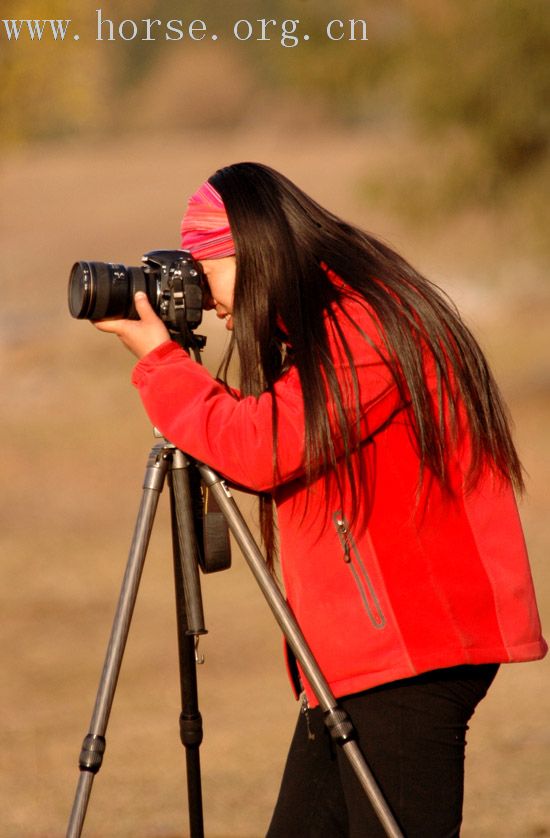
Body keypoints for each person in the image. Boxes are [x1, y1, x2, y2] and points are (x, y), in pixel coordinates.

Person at [94, 162, 547, 837]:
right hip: (357, 662)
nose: (202, 295)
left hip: (407, 655)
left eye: (203, 268)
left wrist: (161, 364)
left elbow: (261, 447)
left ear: (249, 251)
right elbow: (274, 448)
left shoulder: (363, 323)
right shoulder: (330, 323)